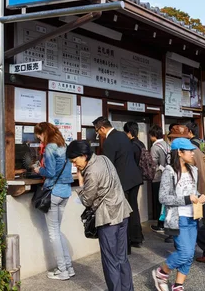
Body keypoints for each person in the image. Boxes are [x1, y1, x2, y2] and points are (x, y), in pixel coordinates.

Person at [67, 140, 134, 291]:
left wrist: (80, 182)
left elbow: (87, 200)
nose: (75, 165)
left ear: (83, 156)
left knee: (110, 260)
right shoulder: (104, 158)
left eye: (75, 161)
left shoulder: (91, 172)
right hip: (123, 212)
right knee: (122, 258)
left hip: (108, 218)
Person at [151, 138, 205, 291]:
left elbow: (193, 191)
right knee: (185, 253)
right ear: (180, 153)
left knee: (189, 255)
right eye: (189, 151)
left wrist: (200, 196)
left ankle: (178, 285)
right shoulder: (169, 172)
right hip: (178, 218)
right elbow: (163, 198)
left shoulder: (193, 170)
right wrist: (187, 199)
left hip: (192, 216)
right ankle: (161, 272)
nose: (193, 153)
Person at [93, 117, 143, 255]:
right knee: (133, 209)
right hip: (134, 177)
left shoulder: (109, 141)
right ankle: (137, 237)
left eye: (98, 132)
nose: (99, 135)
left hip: (123, 181)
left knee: (124, 214)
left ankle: (125, 247)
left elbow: (108, 166)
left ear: (102, 128)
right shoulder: (122, 135)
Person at [32, 122, 75, 280]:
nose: (39, 138)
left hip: (53, 192)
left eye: (39, 135)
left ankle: (63, 270)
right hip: (65, 192)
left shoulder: (50, 147)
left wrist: (38, 170)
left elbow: (49, 172)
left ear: (44, 133)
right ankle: (68, 267)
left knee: (53, 234)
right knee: (57, 231)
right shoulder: (64, 146)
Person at [175, 124, 205, 263]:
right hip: (201, 190)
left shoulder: (189, 151)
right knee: (197, 223)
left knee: (195, 224)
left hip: (195, 192)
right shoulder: (198, 148)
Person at [186, 122, 205, 216]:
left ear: (190, 131)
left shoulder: (192, 143)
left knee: (201, 189)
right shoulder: (202, 141)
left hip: (200, 171)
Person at [123, 121, 145, 248]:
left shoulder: (131, 146)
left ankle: (134, 237)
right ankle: (137, 236)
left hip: (130, 180)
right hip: (137, 179)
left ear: (129, 132)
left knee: (131, 208)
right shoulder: (140, 144)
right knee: (134, 207)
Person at [150, 125, 170, 234]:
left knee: (159, 201)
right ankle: (166, 222)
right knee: (165, 201)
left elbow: (153, 164)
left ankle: (160, 224)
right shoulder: (167, 144)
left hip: (158, 177)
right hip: (168, 177)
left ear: (153, 136)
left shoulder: (155, 147)